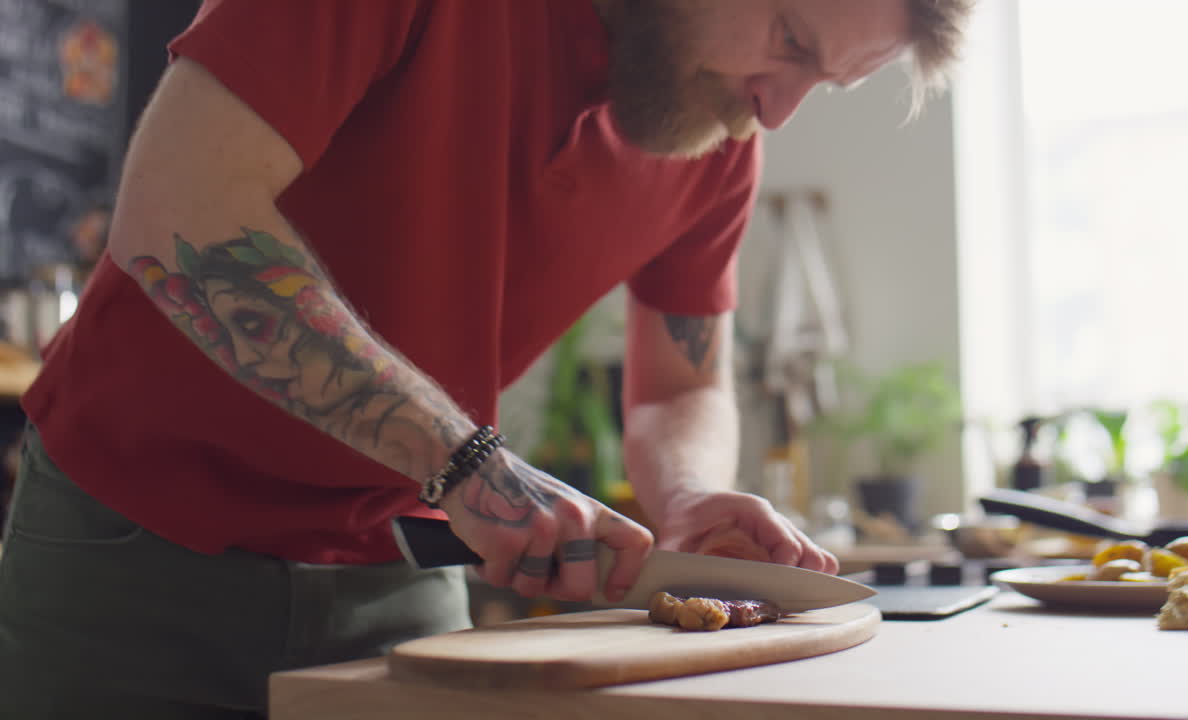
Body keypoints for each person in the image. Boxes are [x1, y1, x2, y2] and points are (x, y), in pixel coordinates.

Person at [0, 0, 972, 717]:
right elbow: (177, 216)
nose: (777, 109)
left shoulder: (716, 136)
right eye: (788, 40)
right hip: (130, 556)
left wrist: (683, 496)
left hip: (403, 575)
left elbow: (681, 382)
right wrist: (467, 459)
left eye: (827, 84)